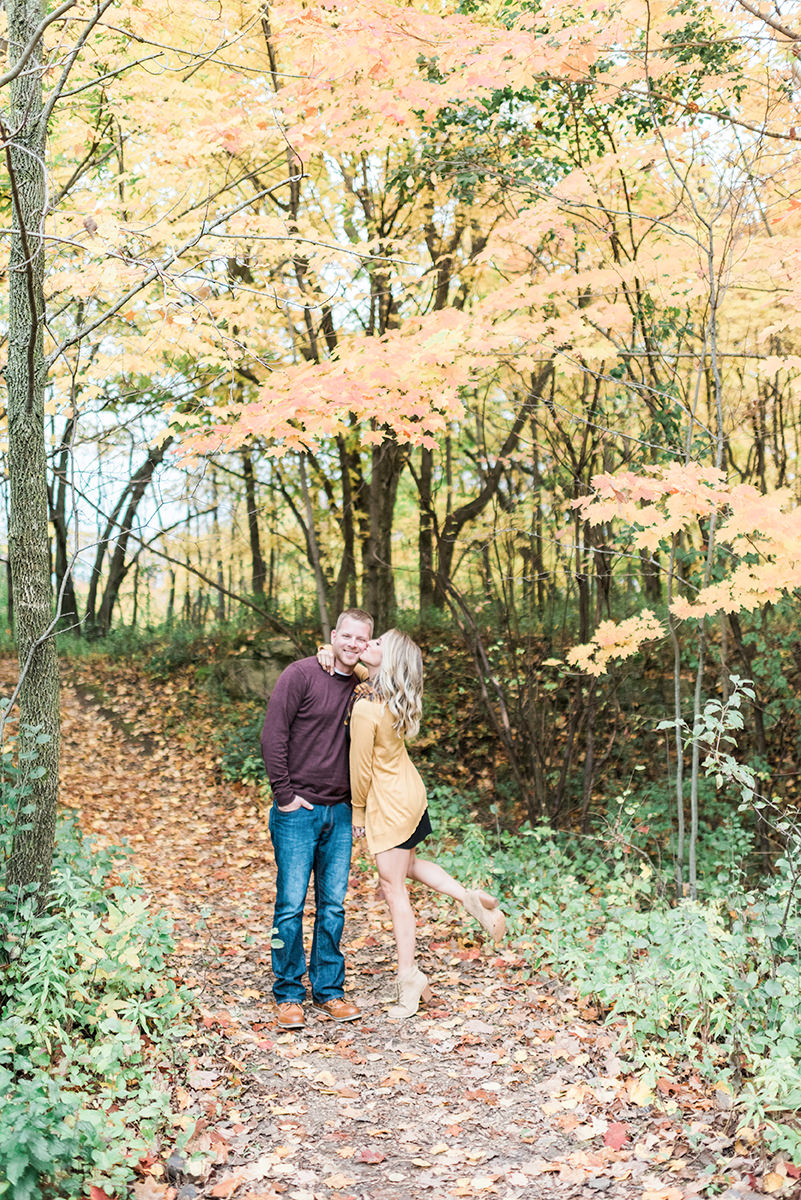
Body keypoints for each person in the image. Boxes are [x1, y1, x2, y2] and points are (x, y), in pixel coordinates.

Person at [327, 629, 506, 1019]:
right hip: (410, 794)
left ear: (386, 661)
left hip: (390, 803)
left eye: (376, 645)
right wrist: (329, 652)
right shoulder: (386, 693)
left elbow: (359, 769)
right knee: (406, 868)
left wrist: (357, 812)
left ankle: (409, 978)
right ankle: (472, 901)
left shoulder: (366, 707)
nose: (366, 646)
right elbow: (355, 670)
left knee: (394, 890)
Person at [261, 608, 373, 1030]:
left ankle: (329, 991)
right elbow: (273, 735)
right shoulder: (301, 674)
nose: (352, 644)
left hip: (341, 812)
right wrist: (285, 797)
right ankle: (288, 994)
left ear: (366, 644)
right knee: (289, 907)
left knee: (333, 907)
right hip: (298, 812)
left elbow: (392, 680)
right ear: (333, 636)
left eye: (361, 640)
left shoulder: (364, 688)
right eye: (346, 636)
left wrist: (359, 665)